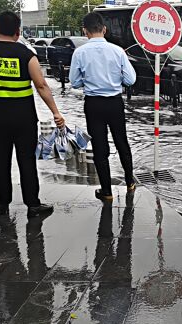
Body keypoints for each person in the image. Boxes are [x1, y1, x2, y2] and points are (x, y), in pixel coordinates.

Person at [0, 11, 65, 218]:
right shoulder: (26, 54)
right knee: (26, 160)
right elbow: (41, 85)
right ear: (18, 32)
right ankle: (33, 205)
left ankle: (2, 203)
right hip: (23, 118)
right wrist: (55, 112)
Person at [69, 12, 136, 201]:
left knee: (99, 147)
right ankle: (130, 182)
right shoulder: (118, 51)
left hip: (94, 104)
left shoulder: (80, 52)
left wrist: (88, 80)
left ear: (85, 31)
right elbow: (130, 79)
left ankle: (106, 191)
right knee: (122, 141)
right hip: (115, 103)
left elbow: (74, 82)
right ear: (104, 29)